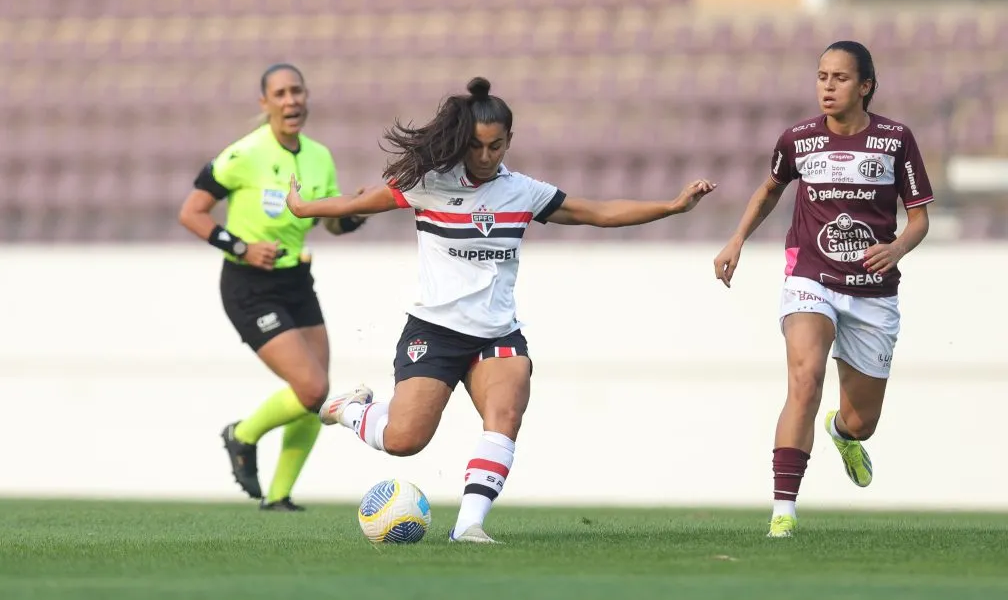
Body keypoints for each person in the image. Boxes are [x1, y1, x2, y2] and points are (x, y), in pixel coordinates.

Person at [284, 76, 716, 542]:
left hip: (497, 333)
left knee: (505, 416)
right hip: (435, 330)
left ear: (510, 141)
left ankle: (469, 526)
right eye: (476, 146)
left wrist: (671, 206)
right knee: (404, 441)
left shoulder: (523, 192)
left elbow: (599, 211)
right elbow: (358, 200)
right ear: (460, 142)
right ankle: (351, 409)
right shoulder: (428, 184)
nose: (486, 157)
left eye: (496, 146)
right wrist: (304, 208)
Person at [712, 41, 934, 538]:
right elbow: (770, 189)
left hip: (873, 293)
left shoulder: (896, 140)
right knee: (805, 378)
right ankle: (783, 513)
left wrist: (896, 248)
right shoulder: (798, 139)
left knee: (862, 422)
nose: (827, 87)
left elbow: (919, 219)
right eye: (821, 77)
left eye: (839, 78)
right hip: (810, 278)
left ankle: (842, 433)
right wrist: (737, 238)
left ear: (865, 87)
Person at [178, 63, 367, 511]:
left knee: (316, 391)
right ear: (265, 104)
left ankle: (279, 496)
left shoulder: (320, 156)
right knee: (313, 388)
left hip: (297, 281)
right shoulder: (244, 154)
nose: (291, 101)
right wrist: (240, 247)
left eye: (297, 91)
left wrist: (355, 213)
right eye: (280, 93)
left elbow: (329, 224)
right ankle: (242, 435)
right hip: (249, 284)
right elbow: (192, 212)